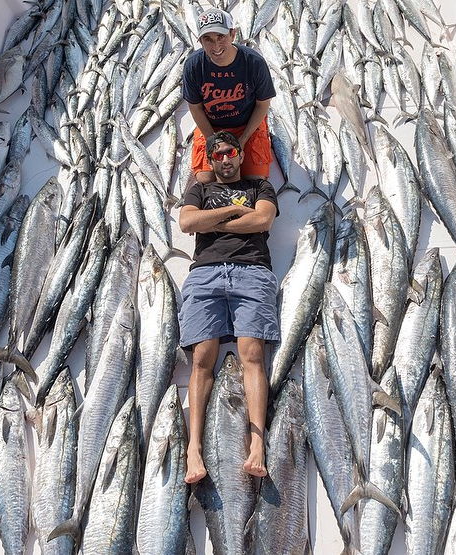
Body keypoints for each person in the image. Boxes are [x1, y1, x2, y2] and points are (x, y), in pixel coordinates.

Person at [178, 131, 280, 484]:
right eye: (216, 154)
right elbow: (187, 222)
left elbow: (263, 220)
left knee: (252, 353)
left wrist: (214, 220)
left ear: (239, 155)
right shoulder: (199, 189)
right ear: (210, 159)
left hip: (252, 271)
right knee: (202, 358)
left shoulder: (259, 187)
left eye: (230, 153)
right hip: (204, 274)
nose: (224, 159)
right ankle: (194, 448)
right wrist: (236, 211)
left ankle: (257, 443)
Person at [182, 7, 276, 185]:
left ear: (232, 34)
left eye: (221, 37)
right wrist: (213, 140)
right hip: (211, 127)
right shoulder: (193, 66)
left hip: (247, 126)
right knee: (205, 179)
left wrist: (242, 140)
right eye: (208, 39)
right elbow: (195, 108)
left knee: (255, 180)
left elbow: (262, 105)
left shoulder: (254, 63)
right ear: (200, 41)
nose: (216, 46)